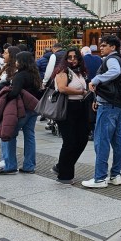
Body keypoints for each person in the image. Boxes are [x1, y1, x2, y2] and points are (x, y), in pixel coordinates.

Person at [83, 35, 121, 188]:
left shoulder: (111, 59)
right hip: (119, 105)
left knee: (101, 141)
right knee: (118, 141)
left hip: (108, 106)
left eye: (104, 45)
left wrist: (96, 80)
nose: (101, 48)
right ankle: (115, 175)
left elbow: (114, 71)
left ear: (113, 47)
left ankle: (100, 178)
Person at [0, 50, 40, 175]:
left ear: (21, 62)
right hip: (33, 108)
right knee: (30, 136)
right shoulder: (35, 75)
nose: (16, 62)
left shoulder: (20, 75)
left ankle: (10, 165)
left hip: (21, 109)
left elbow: (14, 93)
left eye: (17, 60)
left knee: (10, 134)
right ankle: (29, 166)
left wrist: (7, 94)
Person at [51, 47, 89, 184]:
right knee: (70, 142)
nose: (72, 60)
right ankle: (64, 176)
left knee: (82, 140)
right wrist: (83, 93)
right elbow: (62, 88)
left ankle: (61, 166)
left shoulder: (80, 72)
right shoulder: (63, 71)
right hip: (67, 108)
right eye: (70, 57)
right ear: (65, 59)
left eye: (75, 57)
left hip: (80, 108)